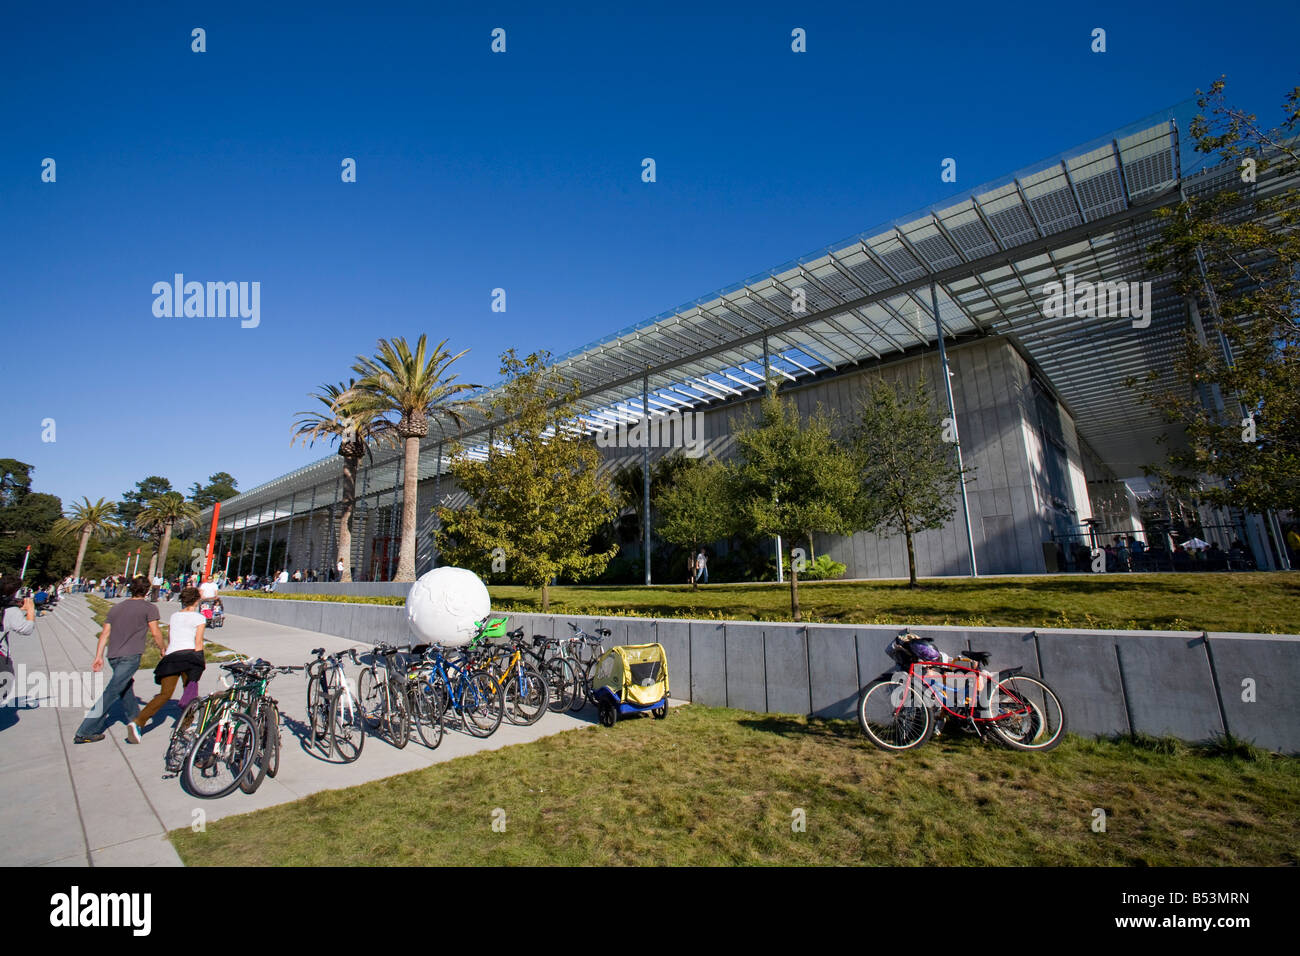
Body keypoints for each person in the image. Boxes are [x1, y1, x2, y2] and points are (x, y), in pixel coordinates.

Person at [74, 576, 163, 744]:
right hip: (131, 656)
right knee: (112, 692)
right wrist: (162, 648)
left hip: (112, 655)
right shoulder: (149, 608)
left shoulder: (116, 608)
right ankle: (85, 730)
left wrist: (98, 656)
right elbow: (156, 632)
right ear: (146, 591)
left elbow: (104, 633)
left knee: (124, 687)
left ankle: (136, 720)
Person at [128, 586, 206, 741]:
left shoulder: (175, 616)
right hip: (189, 656)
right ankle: (187, 724)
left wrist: (165, 650)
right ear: (196, 600)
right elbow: (198, 642)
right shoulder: (199, 618)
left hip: (171, 657)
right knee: (189, 691)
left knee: (165, 694)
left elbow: (171, 637)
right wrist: (200, 660)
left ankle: (139, 721)